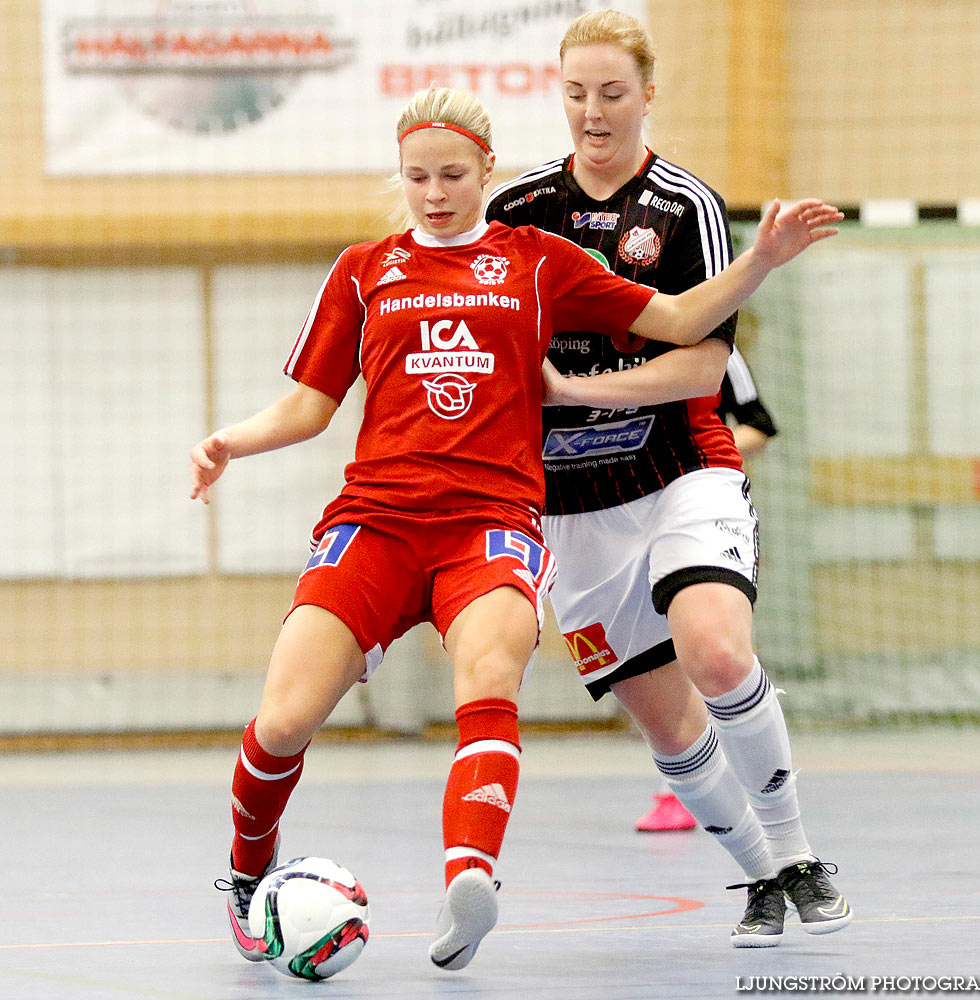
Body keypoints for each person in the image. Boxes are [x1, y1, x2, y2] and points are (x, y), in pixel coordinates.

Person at [191, 84, 839, 972]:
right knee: (283, 721)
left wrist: (761, 258)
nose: (434, 192)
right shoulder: (363, 269)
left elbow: (682, 320)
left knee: (488, 680)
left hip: (490, 526)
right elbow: (310, 406)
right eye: (416, 177)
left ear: (485, 171)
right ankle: (243, 875)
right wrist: (232, 441)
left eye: (452, 174)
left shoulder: (536, 259)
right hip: (375, 524)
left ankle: (471, 881)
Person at [485, 8, 851, 948]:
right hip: (571, 515)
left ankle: (801, 852)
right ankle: (761, 878)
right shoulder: (516, 215)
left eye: (612, 94)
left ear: (648, 96)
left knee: (719, 654)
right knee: (670, 732)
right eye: (576, 95)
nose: (593, 114)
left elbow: (701, 366)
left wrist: (570, 386)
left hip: (680, 471)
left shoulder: (685, 207)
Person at [635, 346, 779, 832]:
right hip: (627, 512)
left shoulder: (714, 344)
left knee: (721, 651)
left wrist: (691, 451)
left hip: (703, 512)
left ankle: (757, 780)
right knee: (652, 661)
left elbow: (758, 423)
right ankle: (684, 780)